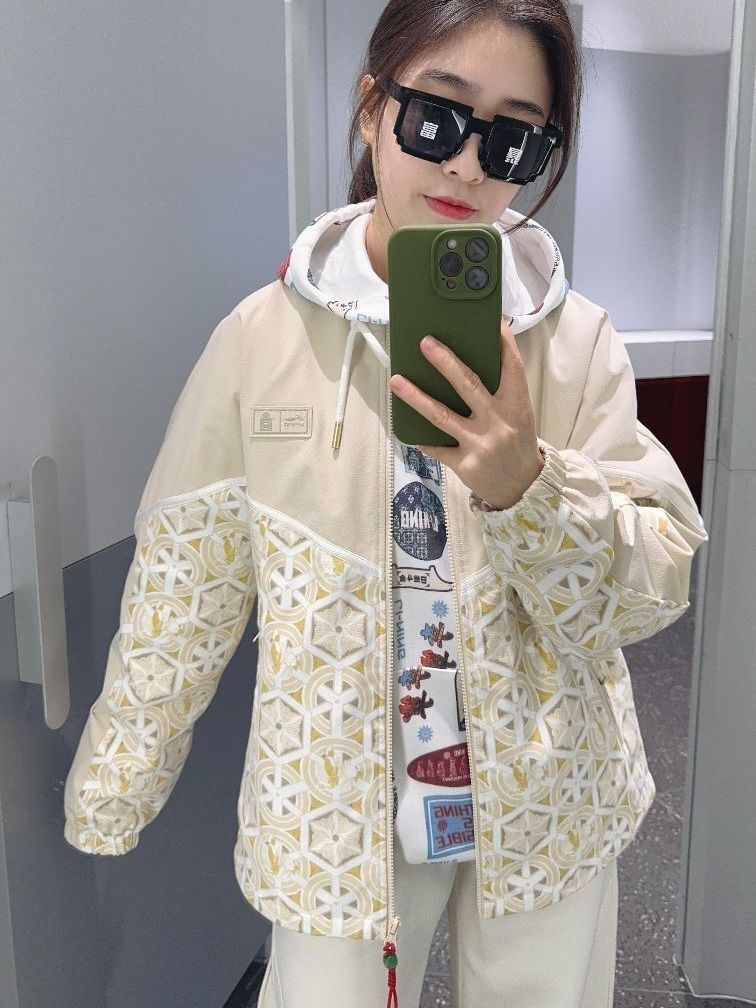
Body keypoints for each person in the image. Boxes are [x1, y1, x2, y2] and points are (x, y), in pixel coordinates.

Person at [62, 1, 710, 1006]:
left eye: (513, 140)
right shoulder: (263, 341)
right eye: (437, 119)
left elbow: (650, 590)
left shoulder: (577, 343)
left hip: (548, 784)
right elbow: (185, 581)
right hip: (335, 798)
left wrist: (528, 488)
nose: (468, 167)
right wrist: (118, 779)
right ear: (372, 109)